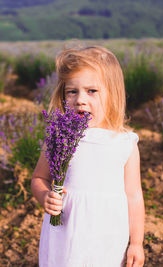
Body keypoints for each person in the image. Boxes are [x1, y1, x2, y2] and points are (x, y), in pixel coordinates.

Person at [31, 46, 145, 267]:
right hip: (65, 233)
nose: (80, 99)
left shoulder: (124, 143)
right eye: (72, 91)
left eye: (92, 91)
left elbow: (134, 196)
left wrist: (136, 243)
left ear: (113, 94)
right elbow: (39, 178)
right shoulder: (60, 137)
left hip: (107, 236)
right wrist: (45, 196)